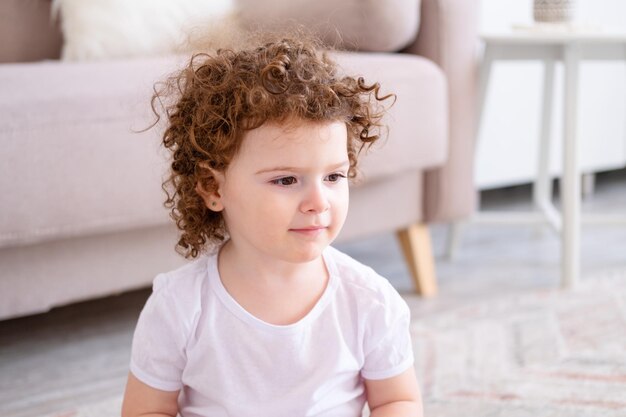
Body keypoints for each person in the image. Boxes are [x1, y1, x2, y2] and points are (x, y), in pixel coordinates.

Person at [121, 34, 423, 417]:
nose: (318, 203)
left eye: (333, 177)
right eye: (286, 180)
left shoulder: (370, 301)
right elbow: (147, 410)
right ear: (214, 187)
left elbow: (397, 400)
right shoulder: (180, 306)